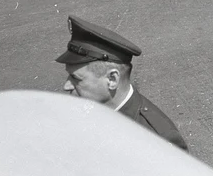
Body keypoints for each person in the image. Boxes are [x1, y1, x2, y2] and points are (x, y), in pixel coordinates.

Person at [56, 15, 188, 150]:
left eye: (76, 78)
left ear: (112, 79)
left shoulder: (158, 139)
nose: (66, 85)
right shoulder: (87, 111)